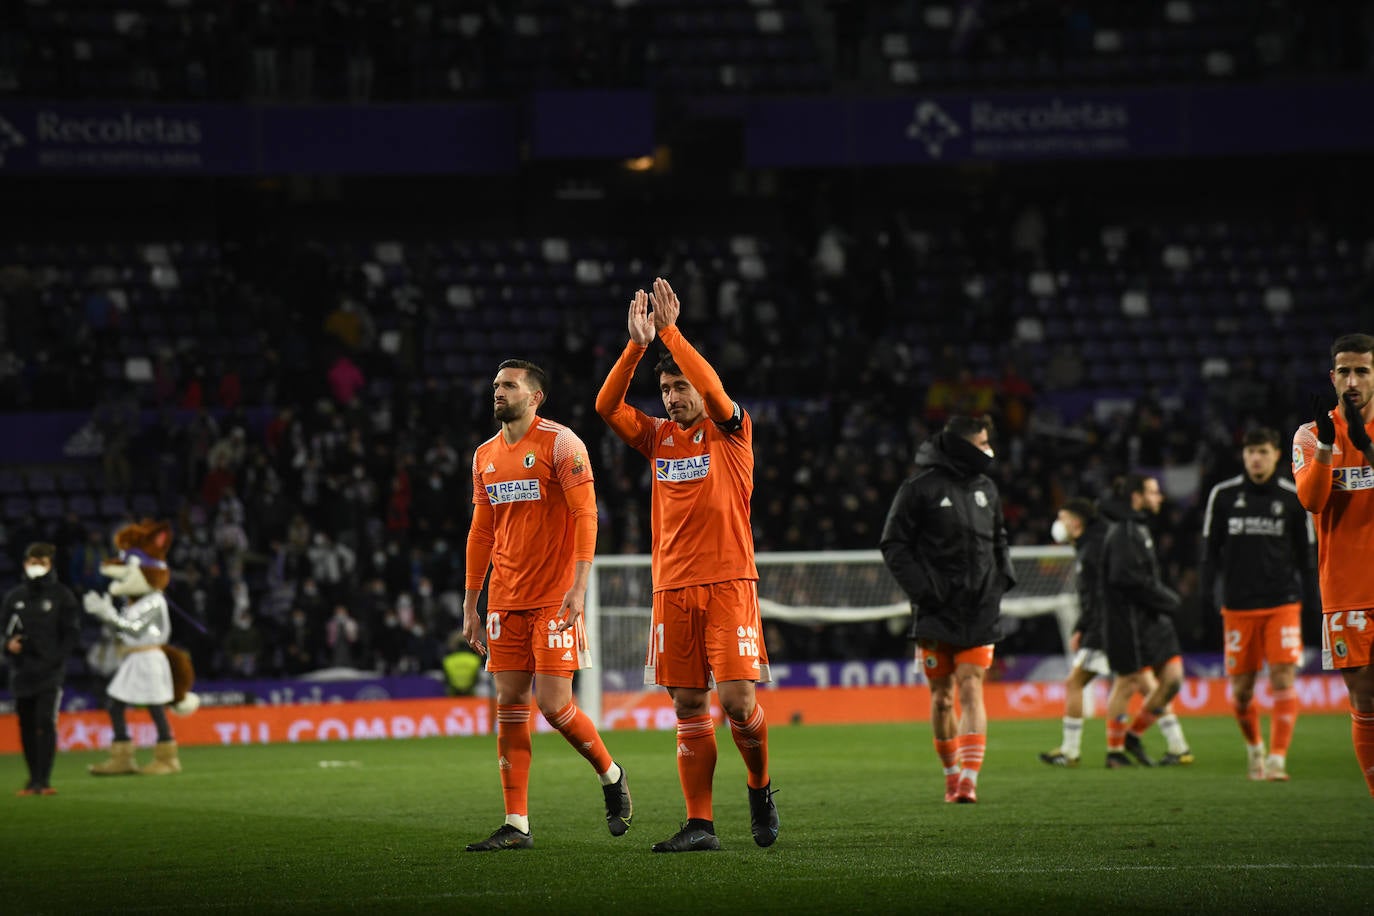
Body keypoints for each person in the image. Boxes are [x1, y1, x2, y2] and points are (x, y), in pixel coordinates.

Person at [595, 278, 777, 851]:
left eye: (681, 386)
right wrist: (637, 346)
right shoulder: (657, 438)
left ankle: (758, 786)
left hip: (729, 583)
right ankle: (701, 824)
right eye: (667, 389)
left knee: (739, 702)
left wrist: (671, 331)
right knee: (689, 704)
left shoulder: (732, 433)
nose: (673, 397)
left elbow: (717, 391)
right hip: (672, 590)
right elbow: (606, 406)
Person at [462, 358, 632, 852]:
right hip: (505, 601)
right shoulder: (484, 456)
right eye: (495, 384)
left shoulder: (563, 444)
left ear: (535, 397)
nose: (498, 391)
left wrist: (578, 589)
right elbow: (481, 532)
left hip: (554, 600)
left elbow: (586, 515)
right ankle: (516, 824)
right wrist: (472, 603)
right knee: (510, 703)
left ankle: (610, 772)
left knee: (555, 706)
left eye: (509, 385)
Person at [880, 414, 1015, 804]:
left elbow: (999, 538)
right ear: (961, 446)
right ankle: (951, 774)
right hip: (936, 612)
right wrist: (925, 592)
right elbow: (893, 544)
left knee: (972, 686)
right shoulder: (919, 489)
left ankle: (969, 781)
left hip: (980, 610)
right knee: (941, 698)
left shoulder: (987, 488)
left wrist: (1001, 580)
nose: (989, 450)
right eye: (983, 443)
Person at [1201, 427, 1318, 781]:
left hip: (1282, 602)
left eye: (1263, 451)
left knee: (1283, 677)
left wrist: (1312, 601)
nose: (1256, 458)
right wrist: (1208, 597)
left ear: (1276, 455)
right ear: (1243, 455)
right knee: (1241, 691)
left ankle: (1278, 758)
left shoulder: (1293, 495)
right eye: (1251, 451)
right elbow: (1208, 553)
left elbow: (1307, 556)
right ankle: (1255, 749)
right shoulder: (1223, 495)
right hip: (1237, 606)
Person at [1292, 332, 1374, 797]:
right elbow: (1313, 501)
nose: (1352, 379)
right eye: (1344, 371)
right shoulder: (1310, 434)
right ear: (1332, 377)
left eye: (1362, 370)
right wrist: (1328, 445)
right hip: (1346, 588)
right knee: (1364, 699)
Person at [1100, 474, 1194, 768]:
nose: (1159, 497)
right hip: (1130, 620)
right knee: (1126, 682)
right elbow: (1125, 577)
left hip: (1152, 618)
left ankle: (1133, 735)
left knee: (1173, 679)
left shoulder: (1138, 528)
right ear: (1136, 496)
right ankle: (1114, 751)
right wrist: (1166, 598)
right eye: (1153, 492)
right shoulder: (1125, 531)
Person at [3, 542, 80, 795]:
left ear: (50, 565)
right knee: (25, 724)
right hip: (22, 671)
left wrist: (56, 659)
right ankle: (33, 779)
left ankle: (43, 780)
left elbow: (71, 634)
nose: (36, 567)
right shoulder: (15, 597)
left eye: (42, 563)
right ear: (25, 563)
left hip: (50, 671)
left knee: (45, 722)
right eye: (32, 562)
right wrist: (8, 645)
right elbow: (3, 632)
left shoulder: (62, 596)